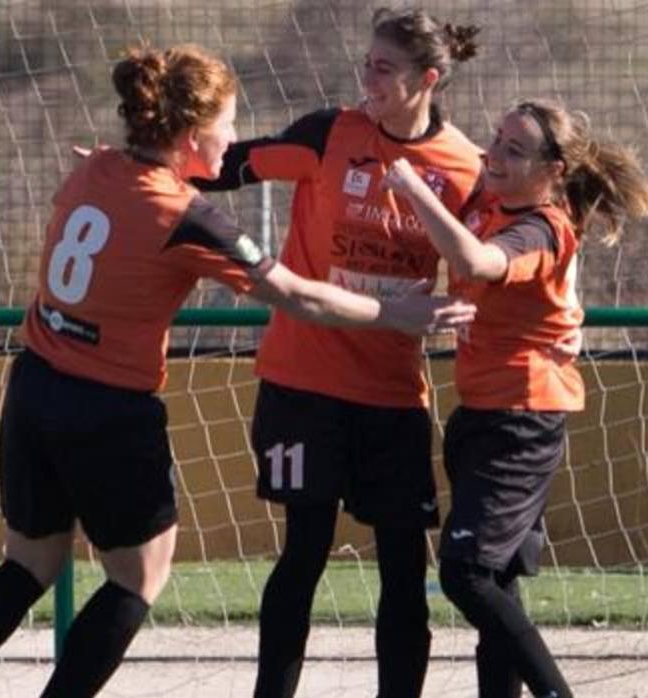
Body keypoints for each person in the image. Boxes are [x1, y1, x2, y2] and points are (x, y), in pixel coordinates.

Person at [0, 44, 474, 698]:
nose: (235, 137)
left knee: (30, 562)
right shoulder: (187, 216)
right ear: (190, 135)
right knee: (137, 577)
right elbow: (297, 294)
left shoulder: (97, 168)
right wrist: (395, 313)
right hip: (107, 410)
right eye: (227, 125)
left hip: (34, 388)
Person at [191, 8, 484, 697]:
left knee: (404, 566)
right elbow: (220, 168)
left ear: (428, 80)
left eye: (383, 69)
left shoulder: (466, 169)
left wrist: (560, 321)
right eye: (366, 65)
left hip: (391, 394)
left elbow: (496, 258)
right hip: (303, 384)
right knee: (304, 553)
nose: (368, 80)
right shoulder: (328, 134)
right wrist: (132, 168)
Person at [382, 98, 648, 698]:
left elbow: (475, 261)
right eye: (496, 140)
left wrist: (409, 185)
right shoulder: (490, 199)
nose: (494, 155)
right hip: (482, 414)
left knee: (466, 572)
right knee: (498, 578)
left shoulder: (542, 227)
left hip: (523, 419)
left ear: (552, 170)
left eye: (514, 149)